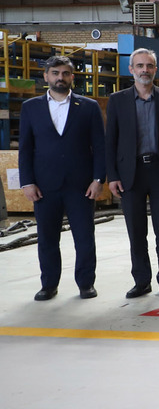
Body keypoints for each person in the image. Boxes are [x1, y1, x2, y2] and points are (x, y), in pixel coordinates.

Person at [18, 54, 106, 301]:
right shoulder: (31, 107)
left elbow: (100, 146)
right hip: (44, 186)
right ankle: (48, 285)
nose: (60, 78)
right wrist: (27, 182)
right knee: (47, 238)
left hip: (81, 185)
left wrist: (98, 179)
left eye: (65, 73)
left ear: (72, 77)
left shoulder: (88, 107)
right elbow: (25, 148)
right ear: (46, 76)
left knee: (84, 237)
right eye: (55, 73)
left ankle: (86, 284)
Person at [105, 48, 159, 299]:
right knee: (136, 232)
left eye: (149, 66)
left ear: (155, 69)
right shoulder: (117, 100)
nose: (144, 70)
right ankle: (142, 281)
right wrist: (112, 175)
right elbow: (110, 140)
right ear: (131, 69)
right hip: (131, 173)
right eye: (140, 65)